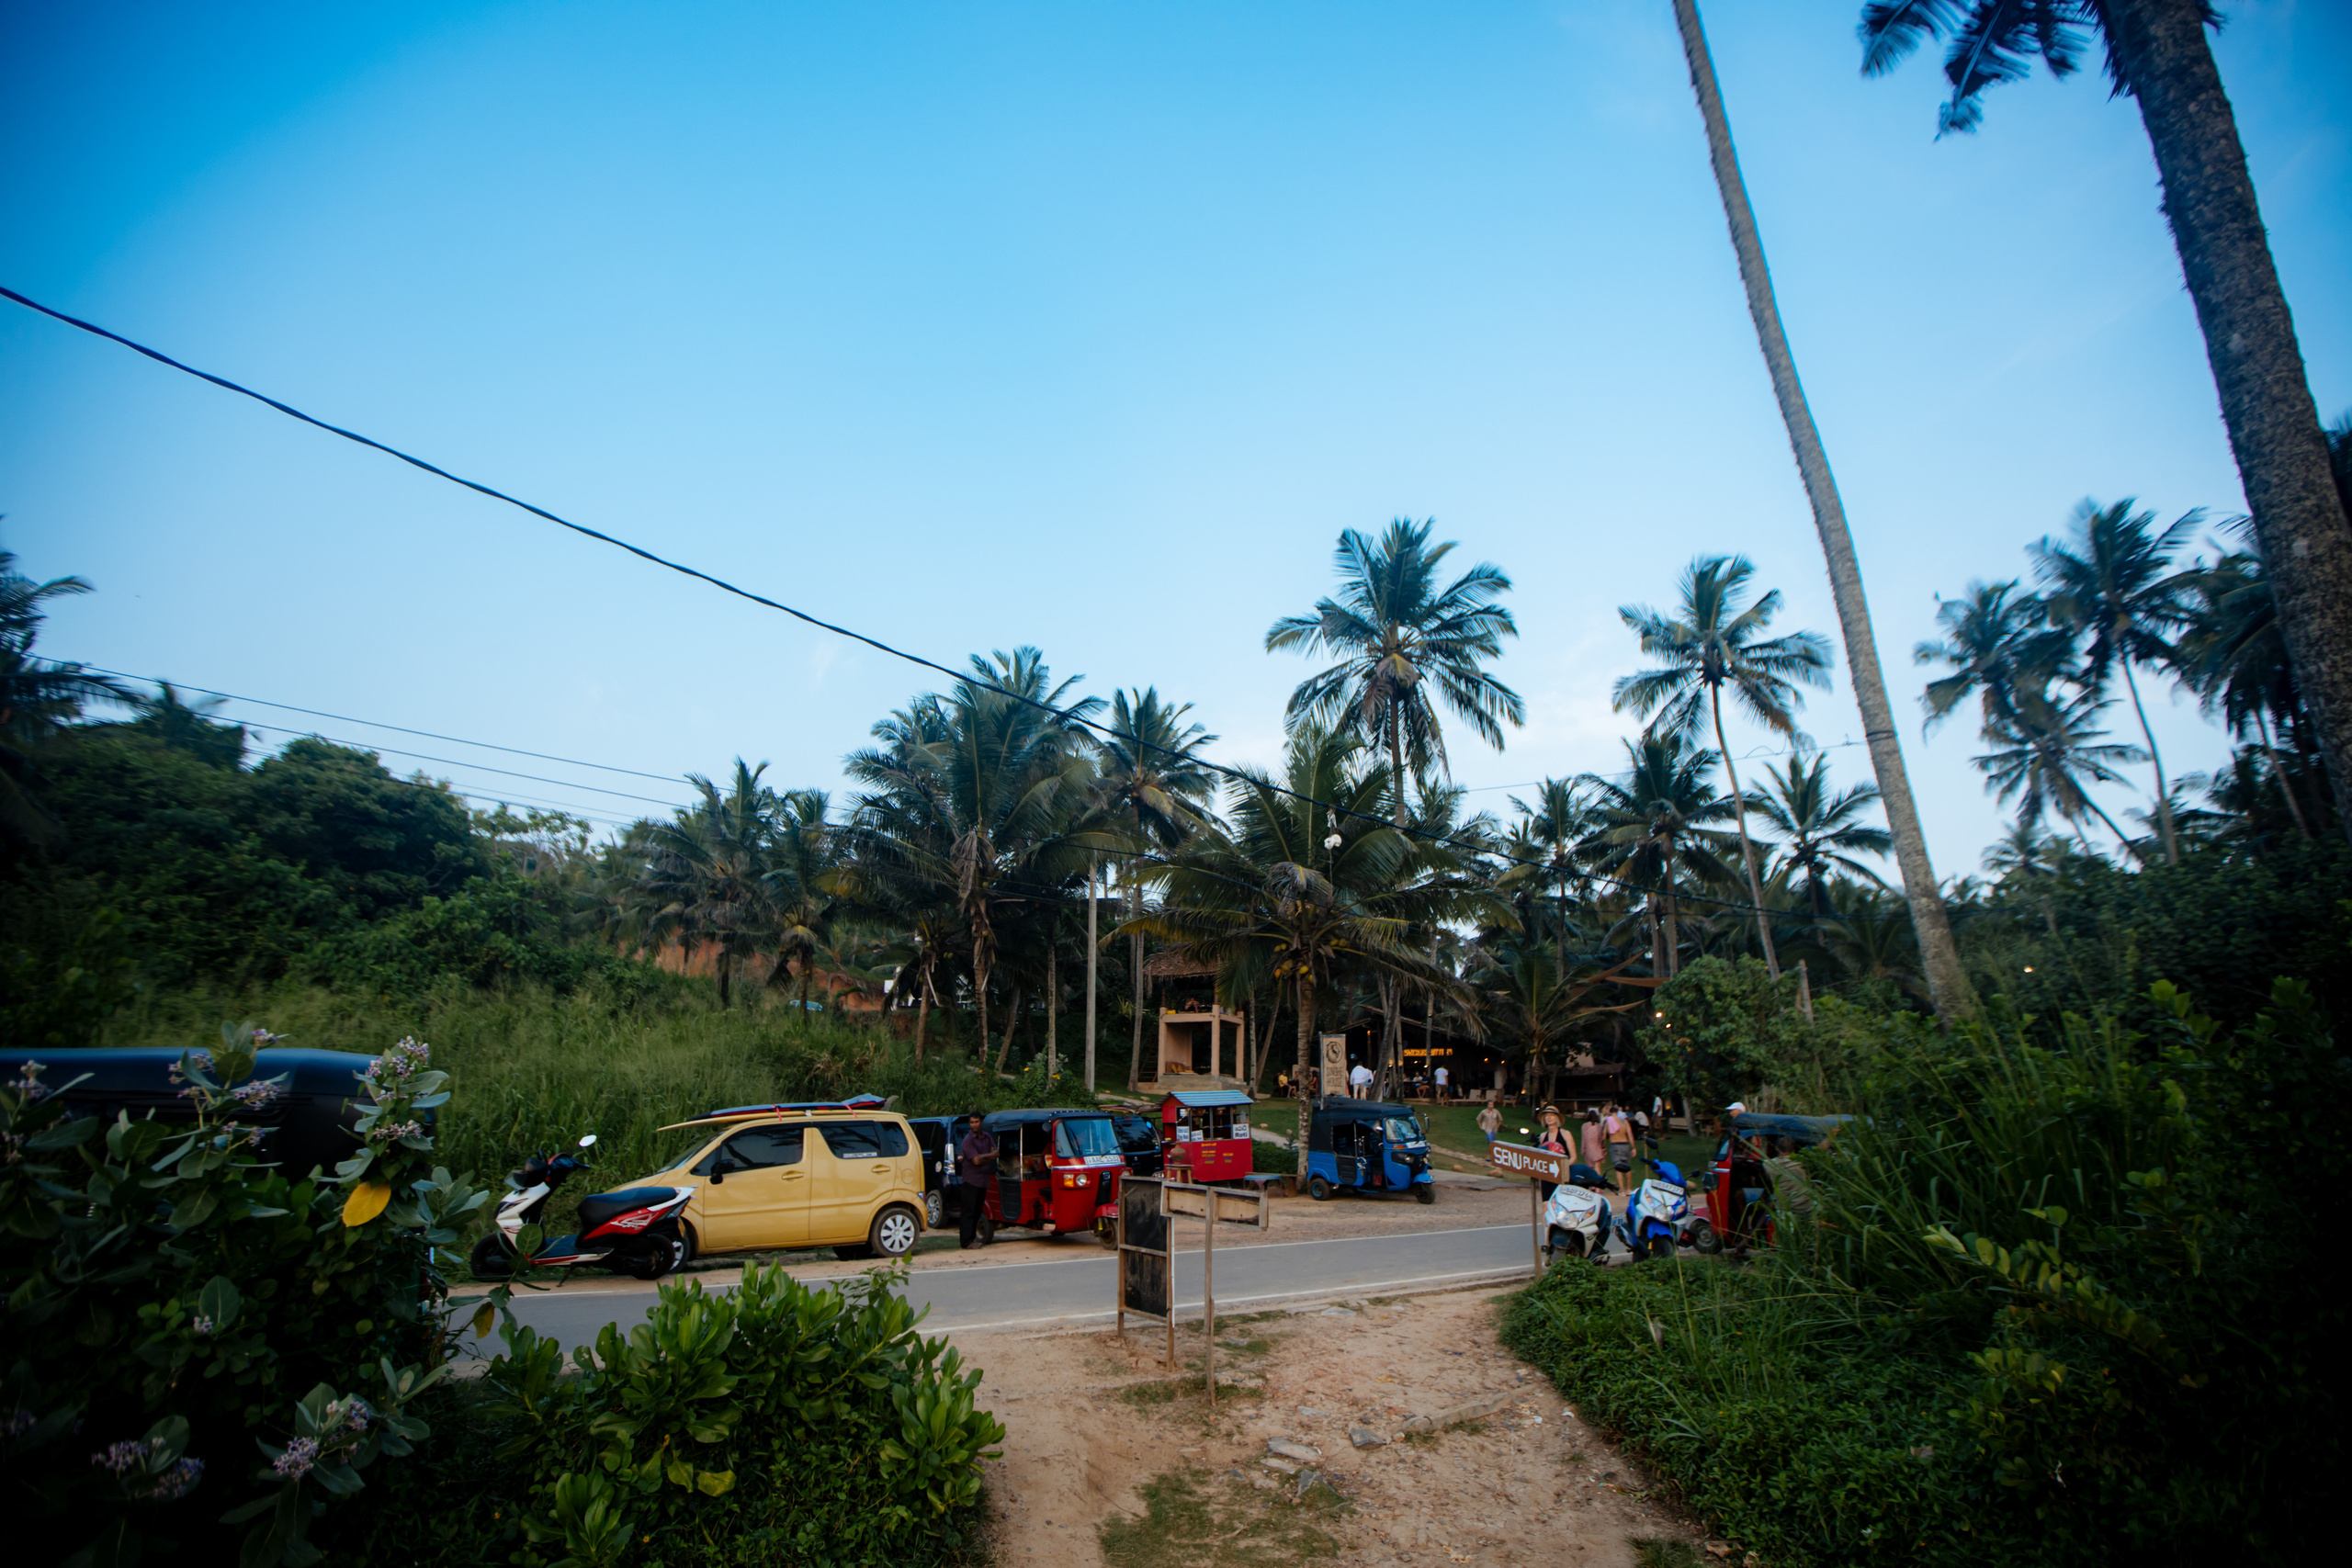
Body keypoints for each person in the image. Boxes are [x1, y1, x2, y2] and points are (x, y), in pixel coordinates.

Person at [956, 1111, 998, 1249]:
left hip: (983, 1181)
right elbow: (976, 1161)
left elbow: (996, 1153)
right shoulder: (968, 1141)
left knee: (978, 1210)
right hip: (970, 1181)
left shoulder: (987, 1137)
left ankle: (971, 1239)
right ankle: (966, 1242)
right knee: (968, 1212)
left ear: (981, 1122)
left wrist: (984, 1156)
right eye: (972, 1122)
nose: (974, 1125)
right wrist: (988, 1155)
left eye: (976, 1122)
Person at [1534, 1105, 1572, 1202]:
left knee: (1560, 1205)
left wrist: (1562, 1168)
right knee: (1546, 1204)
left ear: (1557, 1118)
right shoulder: (1543, 1136)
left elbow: (1573, 1157)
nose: (1549, 1117)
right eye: (1547, 1115)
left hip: (1561, 1176)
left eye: (1552, 1115)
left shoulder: (1566, 1134)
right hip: (1547, 1176)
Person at [1602, 1101, 1634, 1195]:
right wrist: (1633, 1147)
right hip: (1625, 1145)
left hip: (1615, 1145)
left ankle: (1622, 1190)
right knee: (1627, 1167)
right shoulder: (1624, 1121)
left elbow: (1604, 1135)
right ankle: (1629, 1189)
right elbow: (1630, 1135)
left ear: (1610, 1112)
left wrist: (1603, 1146)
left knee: (1618, 1168)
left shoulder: (1608, 1121)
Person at [1578, 1107, 1606, 1171]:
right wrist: (1603, 1149)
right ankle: (1598, 1181)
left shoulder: (1585, 1126)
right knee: (1597, 1169)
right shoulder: (1599, 1126)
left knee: (1590, 1170)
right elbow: (1601, 1139)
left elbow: (1584, 1139)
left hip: (1588, 1151)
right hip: (1597, 1150)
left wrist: (1583, 1150)